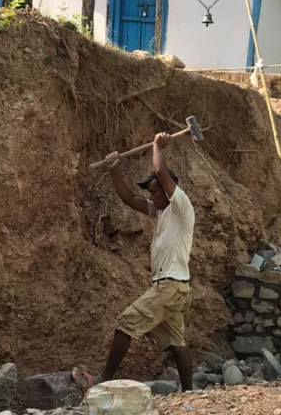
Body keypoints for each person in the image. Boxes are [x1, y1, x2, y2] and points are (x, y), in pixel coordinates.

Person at [79, 132, 196, 391]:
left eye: (156, 192)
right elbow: (129, 199)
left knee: (125, 324)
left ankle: (101, 380)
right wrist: (114, 169)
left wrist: (157, 147)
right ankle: (189, 392)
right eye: (151, 193)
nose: (152, 197)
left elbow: (161, 173)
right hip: (176, 288)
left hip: (170, 286)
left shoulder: (181, 208)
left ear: (169, 190)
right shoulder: (162, 212)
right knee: (177, 342)